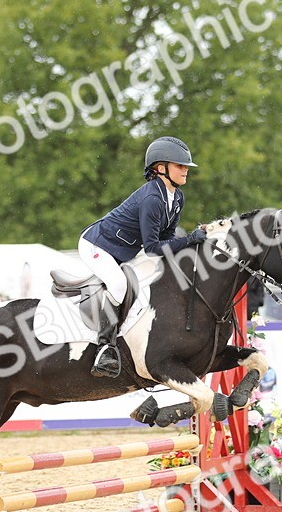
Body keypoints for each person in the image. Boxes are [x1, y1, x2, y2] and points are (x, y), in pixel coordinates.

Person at [78, 136, 208, 377]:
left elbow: (168, 238)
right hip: (97, 246)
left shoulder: (176, 198)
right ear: (161, 169)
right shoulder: (152, 199)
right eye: (180, 165)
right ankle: (104, 349)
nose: (185, 170)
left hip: (124, 250)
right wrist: (189, 239)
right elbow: (152, 248)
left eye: (186, 166)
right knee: (118, 285)